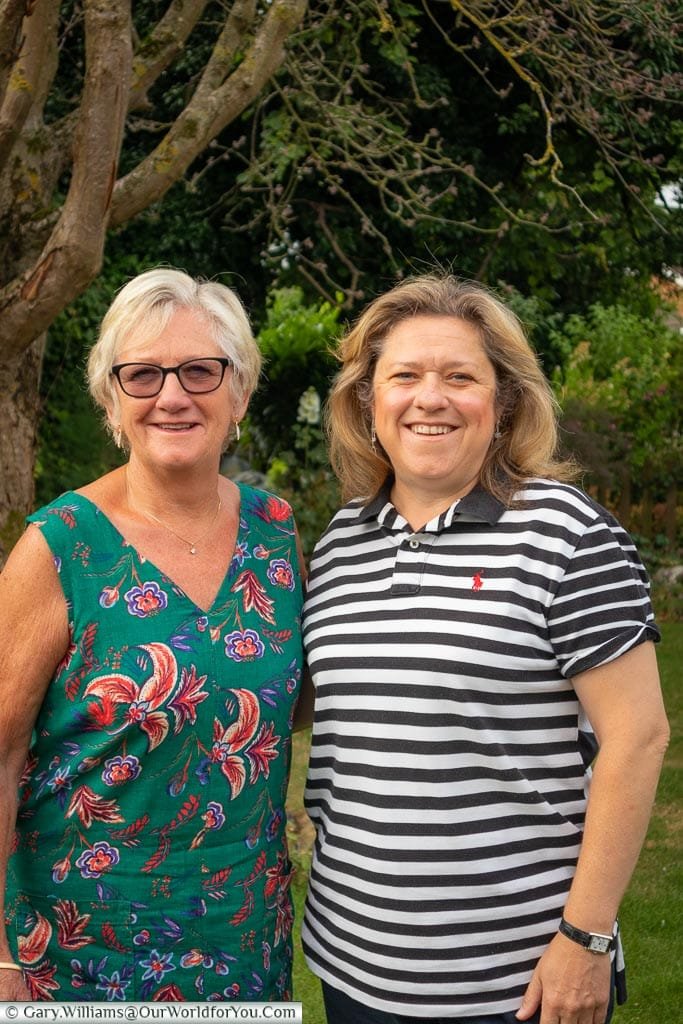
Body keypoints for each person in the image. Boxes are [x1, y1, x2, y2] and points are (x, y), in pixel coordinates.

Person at [300, 274, 669, 1024]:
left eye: (459, 377)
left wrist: (585, 938)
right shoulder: (340, 543)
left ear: (502, 404)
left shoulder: (567, 534)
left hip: (516, 979)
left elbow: (637, 739)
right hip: (351, 964)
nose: (428, 397)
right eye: (402, 376)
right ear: (367, 403)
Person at [0, 268, 308, 1002]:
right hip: (76, 957)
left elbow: (288, 705)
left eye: (200, 370)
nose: (172, 395)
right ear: (112, 400)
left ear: (239, 390)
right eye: (141, 375)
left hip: (242, 944)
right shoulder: (62, 546)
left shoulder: (276, 532)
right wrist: (0, 957)